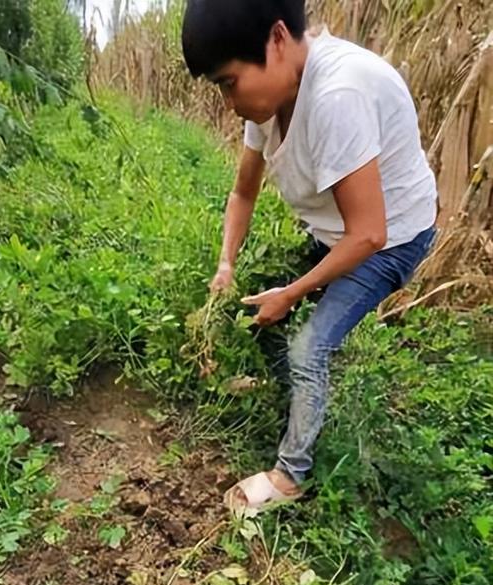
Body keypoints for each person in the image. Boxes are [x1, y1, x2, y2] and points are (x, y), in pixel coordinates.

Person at [182, 0, 437, 513]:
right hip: (338, 231)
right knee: (262, 314)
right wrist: (226, 265)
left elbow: (368, 234)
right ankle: (297, 401)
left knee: (308, 348)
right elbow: (243, 194)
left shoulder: (338, 95)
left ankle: (291, 476)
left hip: (391, 239)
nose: (230, 102)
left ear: (277, 40)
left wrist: (294, 293)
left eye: (230, 83)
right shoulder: (270, 99)